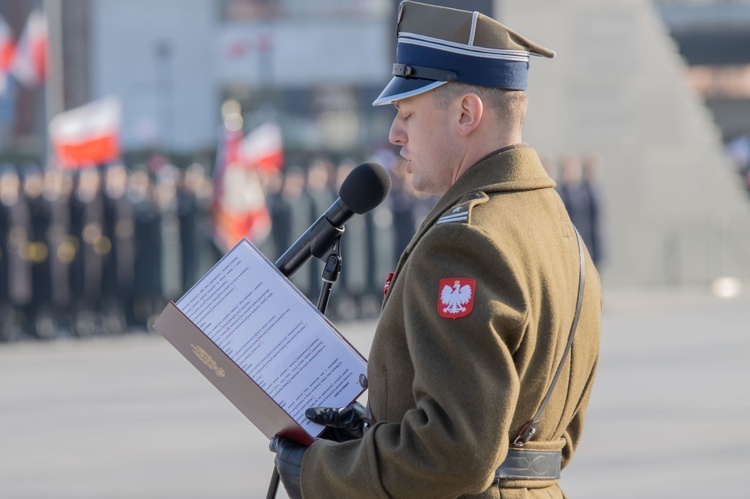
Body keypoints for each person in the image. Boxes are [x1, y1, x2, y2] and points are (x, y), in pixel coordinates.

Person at [270, 2, 602, 498]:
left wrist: (323, 472)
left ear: (467, 113)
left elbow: (454, 452)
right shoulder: (559, 230)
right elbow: (545, 437)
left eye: (407, 113)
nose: (394, 134)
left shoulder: (464, 241)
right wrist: (376, 433)